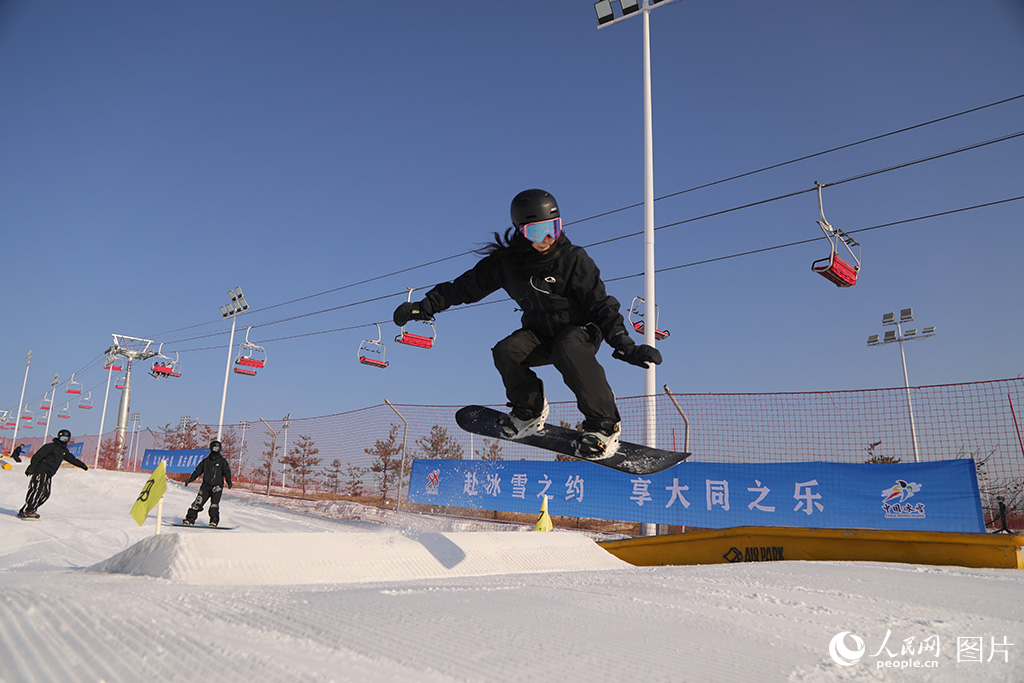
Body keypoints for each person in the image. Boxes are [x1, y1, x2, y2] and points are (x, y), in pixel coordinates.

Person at [393, 188, 661, 458]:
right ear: (521, 231)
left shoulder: (573, 259)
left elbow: (601, 304)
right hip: (540, 333)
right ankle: (528, 410)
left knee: (567, 348)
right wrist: (423, 307)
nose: (546, 239)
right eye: (536, 232)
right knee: (507, 350)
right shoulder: (507, 265)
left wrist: (624, 344)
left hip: (582, 330)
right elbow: (464, 287)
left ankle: (604, 423)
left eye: (553, 229)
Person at [18, 429, 88, 519]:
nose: (64, 440)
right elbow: (37, 456)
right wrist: (32, 467)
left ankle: (29, 508)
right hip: (40, 471)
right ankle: (29, 510)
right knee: (37, 490)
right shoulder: (50, 446)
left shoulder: (64, 451)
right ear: (58, 437)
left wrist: (83, 466)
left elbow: (72, 459)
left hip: (49, 474)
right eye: (62, 438)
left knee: (46, 494)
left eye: (66, 439)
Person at [182, 440, 232, 527]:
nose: (215, 450)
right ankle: (190, 519)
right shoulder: (206, 461)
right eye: (214, 448)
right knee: (197, 503)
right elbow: (198, 471)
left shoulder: (222, 461)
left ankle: (214, 521)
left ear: (220, 449)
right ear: (211, 448)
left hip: (217, 487)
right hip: (205, 486)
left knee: (214, 505)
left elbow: (227, 472)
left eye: (217, 448)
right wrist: (190, 479)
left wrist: (228, 481)